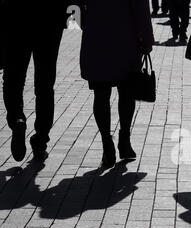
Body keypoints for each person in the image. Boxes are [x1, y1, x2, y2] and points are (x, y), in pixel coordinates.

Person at [80, 0, 154, 168]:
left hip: (96, 36)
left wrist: (86, 23)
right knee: (127, 92)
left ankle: (107, 144)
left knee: (101, 94)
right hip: (125, 36)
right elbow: (140, 6)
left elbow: (76, 4)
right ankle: (124, 139)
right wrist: (147, 37)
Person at [2, 0, 69, 162]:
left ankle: (17, 118)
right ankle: (40, 140)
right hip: (50, 18)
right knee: (45, 84)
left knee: (13, 78)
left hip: (17, 16)